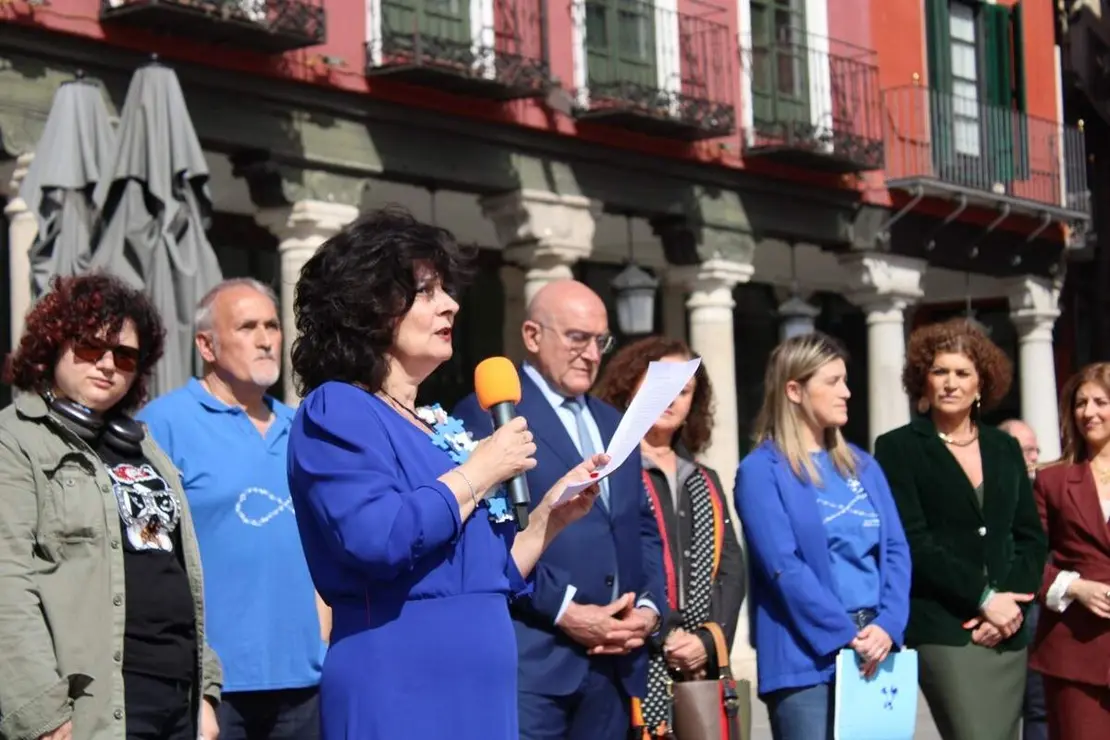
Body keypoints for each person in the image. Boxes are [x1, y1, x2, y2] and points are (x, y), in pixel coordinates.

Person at [285, 208, 606, 740]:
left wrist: (550, 516)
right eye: (428, 291)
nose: (451, 304)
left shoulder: (437, 426)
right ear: (371, 305)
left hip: (484, 692)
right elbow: (379, 538)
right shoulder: (336, 410)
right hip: (400, 682)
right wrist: (479, 473)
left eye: (446, 291)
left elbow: (489, 576)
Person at [0, 274, 222, 740]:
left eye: (124, 356)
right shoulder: (15, 440)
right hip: (94, 703)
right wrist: (40, 709)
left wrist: (205, 687)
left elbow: (176, 568)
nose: (106, 365)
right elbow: (7, 582)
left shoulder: (146, 448)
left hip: (176, 697)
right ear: (52, 347)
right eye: (88, 348)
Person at [454, 280, 667, 740]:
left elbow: (640, 527)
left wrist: (649, 608)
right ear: (532, 336)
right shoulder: (491, 414)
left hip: (615, 666)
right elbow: (489, 538)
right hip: (534, 663)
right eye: (577, 338)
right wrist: (565, 611)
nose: (592, 354)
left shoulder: (614, 422)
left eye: (601, 341)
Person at [138, 279, 324, 740]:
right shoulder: (162, 425)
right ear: (206, 344)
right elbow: (146, 558)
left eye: (272, 326)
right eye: (247, 327)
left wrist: (323, 638)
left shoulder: (302, 427)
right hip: (211, 686)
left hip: (305, 680)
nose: (266, 340)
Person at [874, 319, 1047, 740]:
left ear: (980, 384)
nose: (950, 383)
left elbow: (1030, 537)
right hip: (945, 628)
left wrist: (1012, 606)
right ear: (923, 381)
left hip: (1008, 630)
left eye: (962, 373)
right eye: (939, 372)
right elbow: (913, 540)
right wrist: (983, 597)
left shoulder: (1005, 447)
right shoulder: (898, 448)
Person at [733, 332, 911, 740]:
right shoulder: (762, 471)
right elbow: (783, 566)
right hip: (803, 659)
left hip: (876, 644)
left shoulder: (864, 467)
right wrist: (845, 635)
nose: (846, 392)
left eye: (845, 380)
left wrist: (888, 625)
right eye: (832, 381)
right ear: (794, 390)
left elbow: (897, 550)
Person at [595, 335, 746, 736]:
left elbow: (732, 570)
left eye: (684, 390)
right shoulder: (608, 468)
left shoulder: (704, 480)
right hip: (633, 656)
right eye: (660, 385)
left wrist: (707, 641)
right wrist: (661, 630)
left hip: (698, 667)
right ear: (629, 386)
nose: (672, 399)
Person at [1029, 363, 1110, 740]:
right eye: (1080, 403)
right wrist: (1075, 587)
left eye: (1100, 401)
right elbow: (1024, 557)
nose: (1089, 412)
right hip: (1075, 651)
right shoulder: (1053, 479)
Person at [998, 419, 1047, 740]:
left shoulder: (1045, 492)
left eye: (1035, 451)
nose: (1034, 458)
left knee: (1039, 708)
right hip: (994, 613)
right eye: (1025, 450)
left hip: (1038, 613)